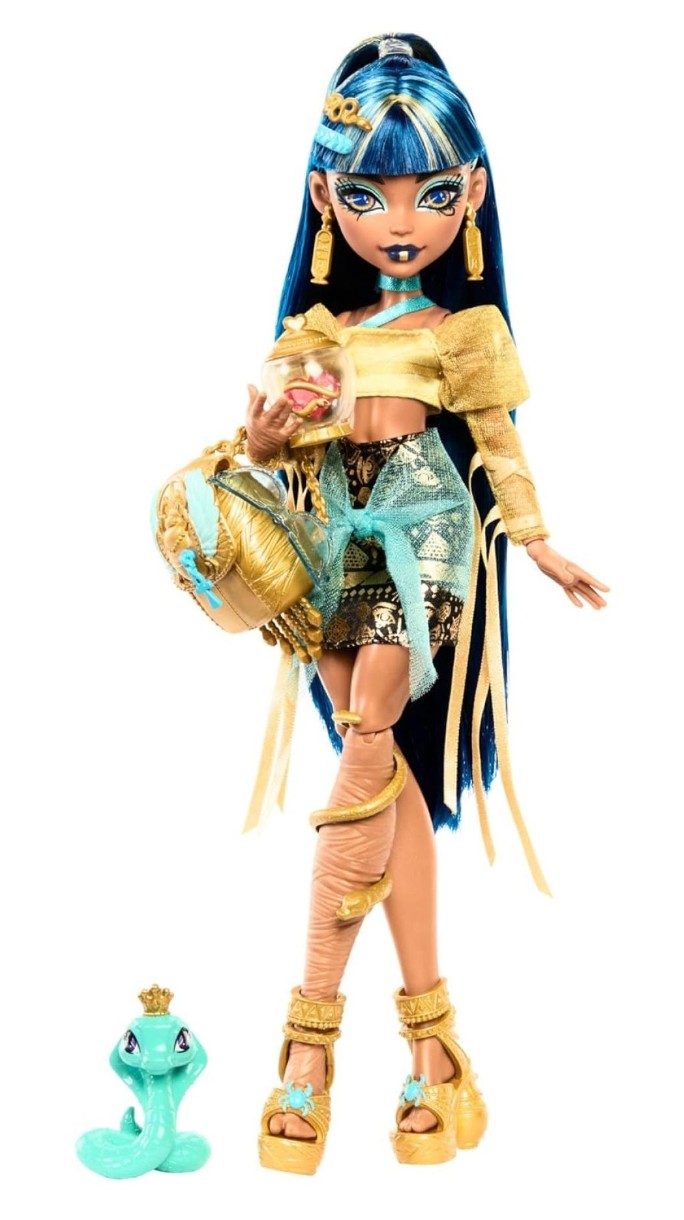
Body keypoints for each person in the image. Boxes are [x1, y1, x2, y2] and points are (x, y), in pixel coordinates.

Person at [243, 32, 608, 1174]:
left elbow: (497, 444)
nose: (401, 221)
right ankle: (435, 1046)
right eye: (369, 196)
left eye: (431, 194)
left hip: (428, 543)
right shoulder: (317, 334)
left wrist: (537, 544)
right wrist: (262, 440)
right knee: (387, 778)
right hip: (329, 544)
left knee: (364, 753)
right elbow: (275, 444)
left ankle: (308, 1045)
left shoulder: (466, 330)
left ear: (472, 195)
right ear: (327, 199)